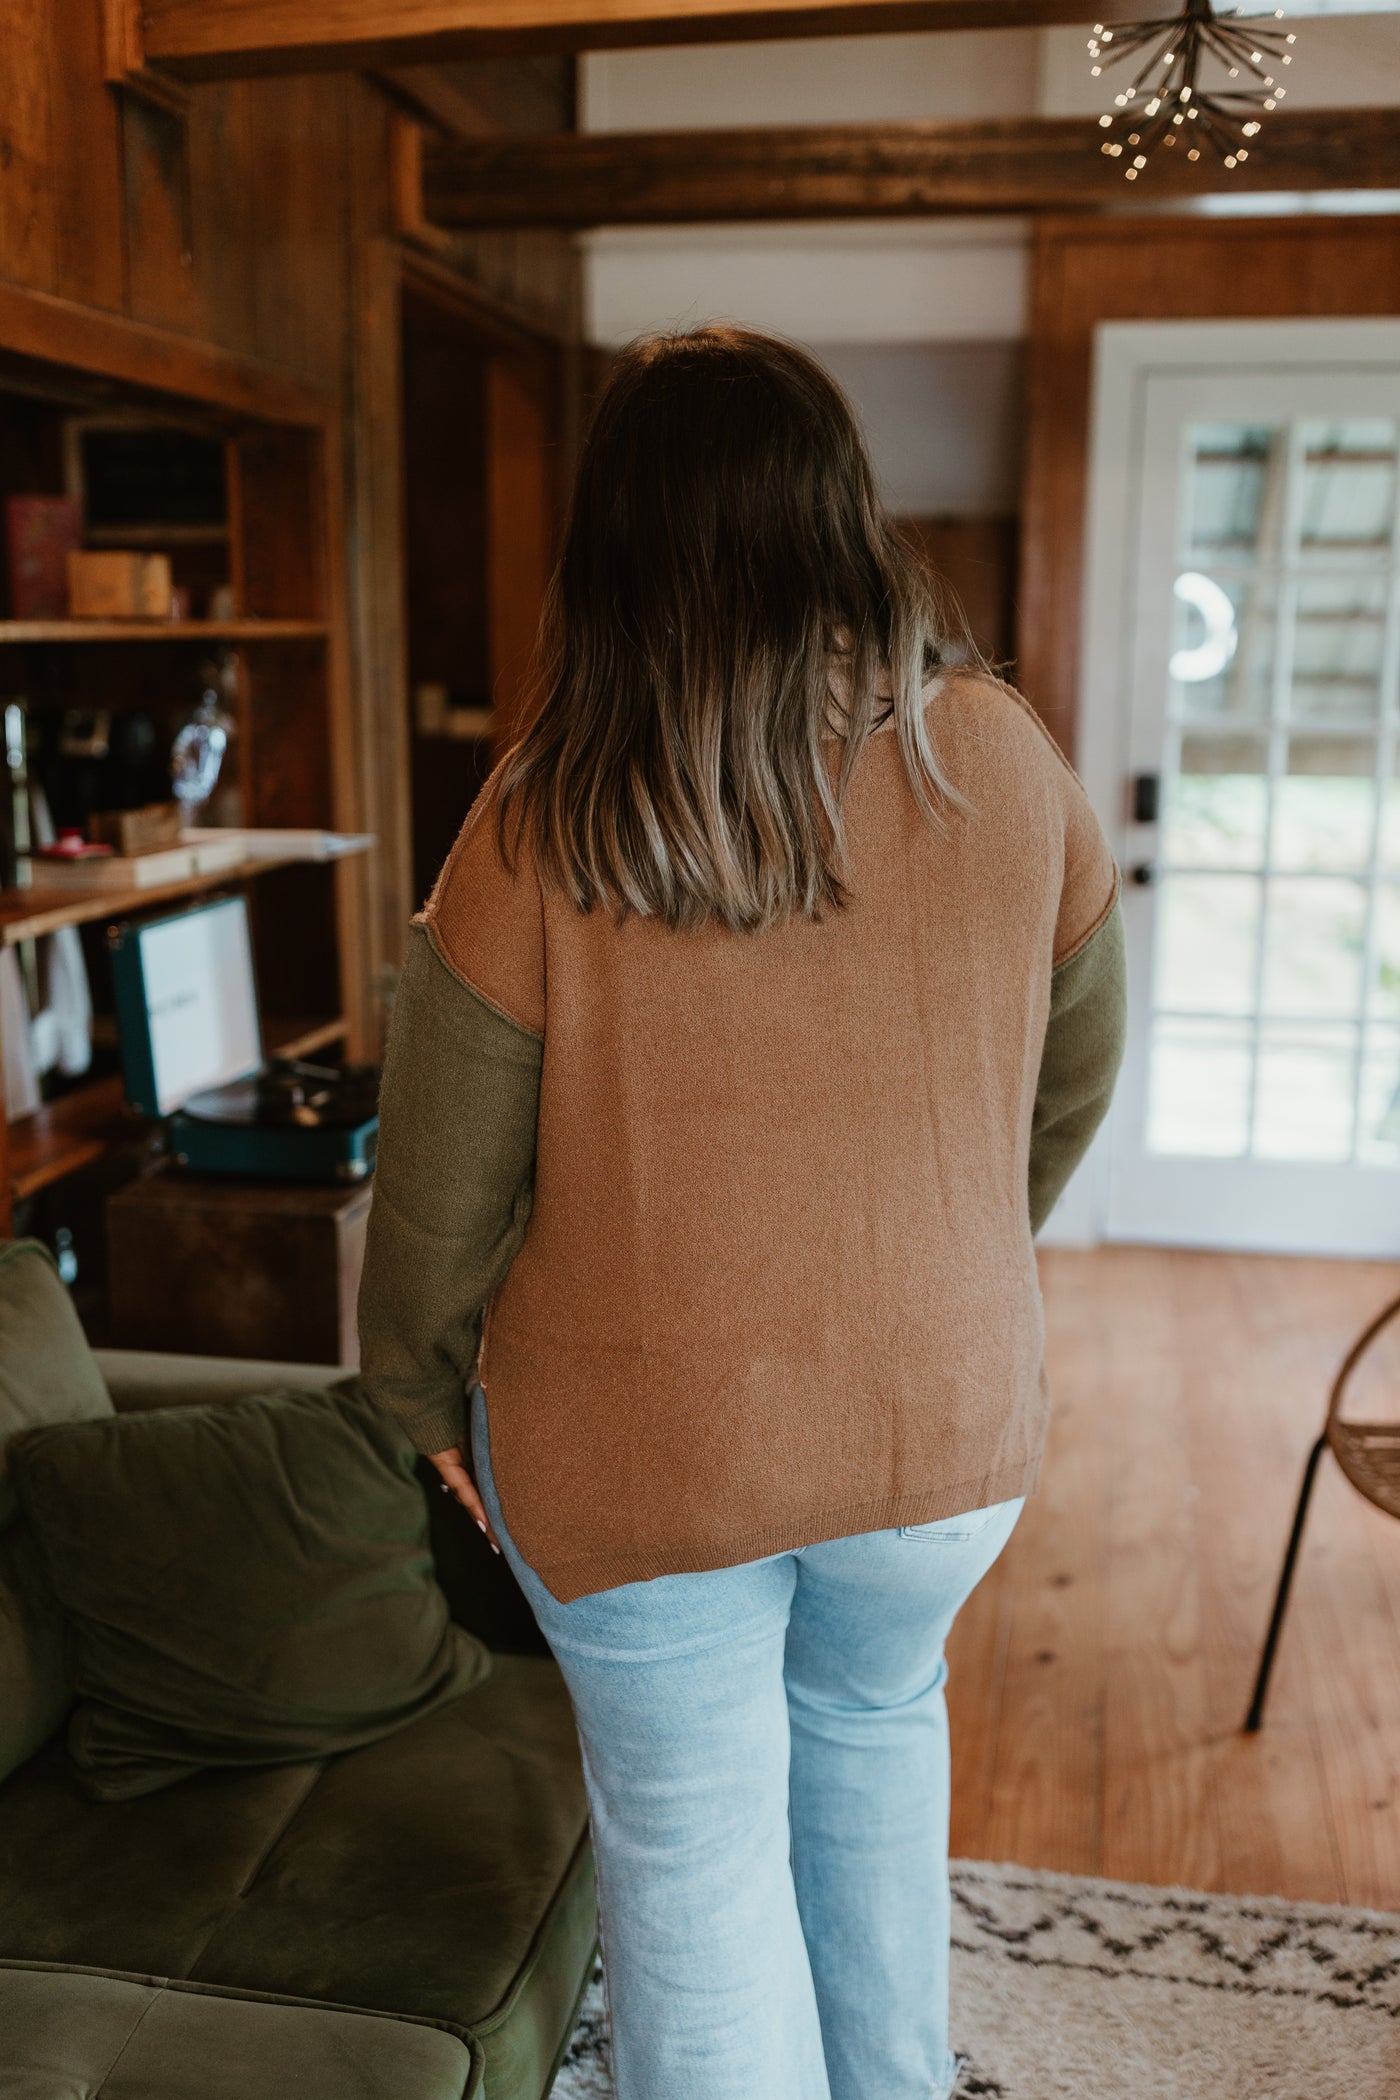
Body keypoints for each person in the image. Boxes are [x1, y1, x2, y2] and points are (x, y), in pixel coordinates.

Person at [357, 324, 1126, 2100]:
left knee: (697, 1866)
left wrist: (414, 1405)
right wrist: (954, 1245)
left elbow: (436, 1200)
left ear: (614, 543)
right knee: (874, 1737)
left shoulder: (542, 816)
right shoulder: (1004, 760)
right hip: (943, 1437)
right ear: (843, 516)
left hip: (641, 1453)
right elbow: (1071, 1076)